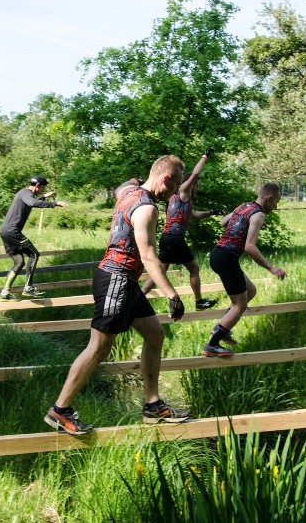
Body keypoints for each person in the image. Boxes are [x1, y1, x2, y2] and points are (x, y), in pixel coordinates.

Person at [44, 155, 190, 435]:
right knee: (99, 347)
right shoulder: (146, 209)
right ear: (166, 179)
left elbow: (122, 187)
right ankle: (60, 411)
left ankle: (152, 405)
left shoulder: (129, 192)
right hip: (117, 280)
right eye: (175, 186)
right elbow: (148, 255)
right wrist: (172, 294)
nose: (174, 194)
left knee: (155, 334)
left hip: (124, 281)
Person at [204, 182, 287, 357]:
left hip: (218, 254)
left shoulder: (245, 206)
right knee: (239, 305)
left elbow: (223, 222)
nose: (275, 207)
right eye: (276, 202)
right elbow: (250, 247)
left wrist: (245, 225)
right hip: (227, 258)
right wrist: (272, 268)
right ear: (269, 197)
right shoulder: (258, 215)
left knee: (251, 290)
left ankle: (223, 327)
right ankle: (213, 343)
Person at [140, 147, 224, 310]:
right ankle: (199, 301)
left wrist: (212, 212)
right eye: (196, 185)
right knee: (194, 268)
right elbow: (195, 174)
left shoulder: (180, 199)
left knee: (160, 271)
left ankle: (139, 295)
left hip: (167, 238)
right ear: (189, 185)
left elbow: (193, 215)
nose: (197, 188)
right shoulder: (183, 192)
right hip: (175, 238)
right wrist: (204, 157)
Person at [0, 175, 67, 300]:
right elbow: (33, 202)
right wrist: (55, 203)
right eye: (43, 187)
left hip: (5, 231)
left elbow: (31, 201)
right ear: (38, 186)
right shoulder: (26, 193)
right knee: (34, 254)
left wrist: (44, 196)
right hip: (12, 231)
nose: (42, 189)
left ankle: (5, 292)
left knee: (19, 262)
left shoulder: (23, 193)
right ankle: (28, 288)